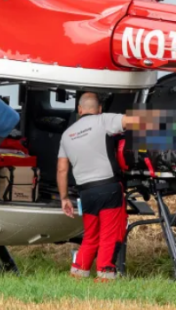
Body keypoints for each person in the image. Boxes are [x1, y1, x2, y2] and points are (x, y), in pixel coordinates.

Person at [57, 92, 139, 282]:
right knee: (110, 234)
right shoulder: (104, 120)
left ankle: (78, 274)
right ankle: (105, 277)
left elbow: (62, 169)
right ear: (99, 108)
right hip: (108, 187)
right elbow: (132, 121)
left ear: (79, 110)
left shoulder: (67, 134)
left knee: (91, 235)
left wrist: (64, 198)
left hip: (85, 192)